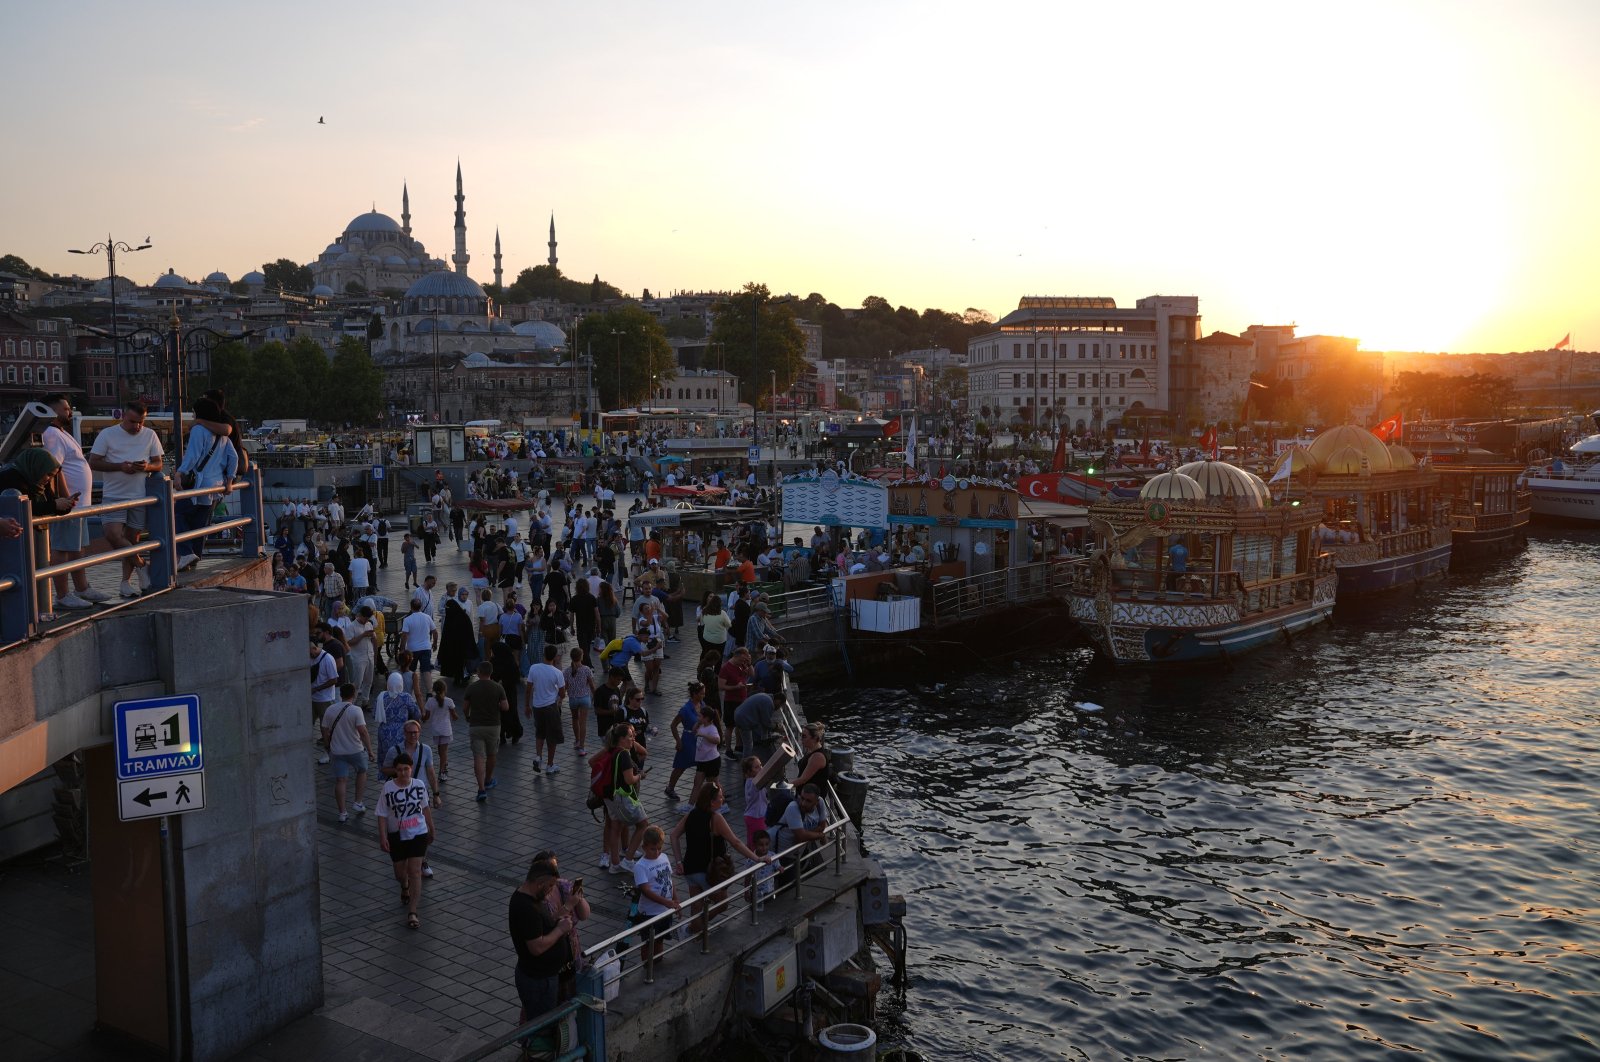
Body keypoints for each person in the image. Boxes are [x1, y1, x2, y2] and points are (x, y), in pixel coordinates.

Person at [669, 780, 770, 934]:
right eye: (720, 798)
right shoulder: (715, 818)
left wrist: (678, 861)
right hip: (708, 872)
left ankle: (693, 934)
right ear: (711, 802)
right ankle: (693, 930)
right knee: (722, 903)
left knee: (696, 906)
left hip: (690, 869)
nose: (722, 800)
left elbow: (674, 835)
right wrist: (757, 858)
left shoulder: (691, 814)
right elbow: (735, 842)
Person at [39, 394, 109, 610]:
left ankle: (82, 588)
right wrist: (64, 498)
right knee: (62, 548)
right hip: (69, 504)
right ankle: (62, 595)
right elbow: (53, 469)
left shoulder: (62, 433)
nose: (69, 412)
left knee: (78, 548)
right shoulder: (51, 434)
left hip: (79, 504)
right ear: (52, 411)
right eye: (65, 409)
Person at [87, 402, 163, 599]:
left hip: (139, 495)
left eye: (141, 422)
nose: (137, 426)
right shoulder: (107, 434)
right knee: (112, 534)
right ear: (123, 417)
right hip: (114, 494)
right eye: (132, 422)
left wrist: (145, 467)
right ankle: (141, 565)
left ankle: (125, 583)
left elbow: (158, 463)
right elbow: (93, 462)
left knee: (132, 539)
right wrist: (121, 466)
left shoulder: (150, 435)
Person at [378, 751, 434, 930]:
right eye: (400, 770)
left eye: (406, 769)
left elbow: (425, 808)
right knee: (400, 874)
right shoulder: (388, 788)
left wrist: (431, 828)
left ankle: (413, 911)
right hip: (397, 835)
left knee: (415, 871)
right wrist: (383, 836)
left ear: (411, 770)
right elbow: (381, 814)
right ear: (395, 771)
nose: (403, 773)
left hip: (418, 832)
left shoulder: (419, 785)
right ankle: (404, 886)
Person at [323, 682, 372, 824]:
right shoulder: (356, 710)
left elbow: (325, 730)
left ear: (340, 694)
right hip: (355, 750)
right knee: (362, 771)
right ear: (354, 694)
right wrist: (370, 750)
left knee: (341, 780)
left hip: (337, 751)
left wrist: (327, 745)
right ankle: (358, 802)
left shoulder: (330, 710)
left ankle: (342, 813)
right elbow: (363, 732)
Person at [631, 826, 679, 963]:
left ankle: (657, 964)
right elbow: (646, 891)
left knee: (660, 939)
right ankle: (648, 967)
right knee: (648, 943)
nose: (657, 852)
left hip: (665, 910)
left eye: (659, 848)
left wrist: (675, 899)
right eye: (653, 849)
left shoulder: (663, 857)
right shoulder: (641, 866)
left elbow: (670, 881)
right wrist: (667, 902)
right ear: (644, 847)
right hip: (650, 913)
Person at [463, 660, 508, 802]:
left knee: (478, 756)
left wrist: (468, 716)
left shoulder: (472, 688)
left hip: (476, 726)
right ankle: (488, 779)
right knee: (491, 754)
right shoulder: (498, 687)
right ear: (491, 672)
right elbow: (505, 707)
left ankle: (481, 789)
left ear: (478, 672)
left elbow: (465, 707)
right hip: (493, 726)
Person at [773, 782, 829, 887]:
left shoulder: (820, 802)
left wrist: (805, 835)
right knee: (787, 887)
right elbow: (801, 836)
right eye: (802, 798)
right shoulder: (793, 808)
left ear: (816, 802)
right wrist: (820, 835)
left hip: (800, 850)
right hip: (785, 853)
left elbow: (822, 825)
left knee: (797, 881)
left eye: (808, 801)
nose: (803, 803)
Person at [523, 644, 567, 774]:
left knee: (540, 733)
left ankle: (538, 757)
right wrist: (558, 697)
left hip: (537, 706)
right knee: (552, 736)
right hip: (550, 707)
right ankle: (550, 765)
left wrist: (527, 705)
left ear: (544, 654)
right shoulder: (557, 673)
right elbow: (563, 693)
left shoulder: (534, 668)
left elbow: (528, 689)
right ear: (555, 657)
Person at [665, 680, 706, 806]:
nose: (703, 696)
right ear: (694, 694)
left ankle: (708, 789)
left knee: (704, 765)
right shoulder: (685, 709)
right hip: (688, 740)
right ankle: (670, 788)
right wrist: (678, 741)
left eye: (704, 694)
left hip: (701, 739)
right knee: (681, 766)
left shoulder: (703, 704)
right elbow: (673, 725)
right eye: (701, 694)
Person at [373, 670, 421, 763]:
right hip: (401, 732)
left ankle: (385, 776)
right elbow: (416, 713)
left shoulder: (381, 696)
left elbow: (374, 714)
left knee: (385, 757)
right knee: (400, 758)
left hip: (384, 732)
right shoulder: (406, 697)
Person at [309, 637, 342, 765]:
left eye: (309, 652)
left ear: (314, 647)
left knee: (325, 729)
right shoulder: (310, 658)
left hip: (325, 699)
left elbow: (334, 679)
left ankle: (327, 753)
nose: (309, 655)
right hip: (312, 699)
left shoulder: (328, 659)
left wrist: (317, 688)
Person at [686, 702, 723, 809]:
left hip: (712, 760)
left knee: (714, 785)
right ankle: (690, 806)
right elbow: (693, 731)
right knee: (697, 783)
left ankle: (721, 804)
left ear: (706, 718)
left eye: (700, 716)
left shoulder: (712, 729)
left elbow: (717, 740)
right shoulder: (701, 725)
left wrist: (703, 735)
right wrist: (698, 723)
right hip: (702, 760)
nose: (698, 717)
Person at [491, 637, 525, 746]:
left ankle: (507, 734)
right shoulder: (509, 662)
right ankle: (508, 734)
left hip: (503, 693)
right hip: (505, 693)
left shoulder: (497, 662)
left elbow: (492, 676)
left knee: (504, 713)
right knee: (507, 713)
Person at [421, 678, 457, 782]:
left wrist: (422, 718)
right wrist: (455, 716)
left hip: (436, 730)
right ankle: (442, 771)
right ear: (445, 690)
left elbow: (426, 716)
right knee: (444, 751)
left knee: (441, 751)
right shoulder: (449, 701)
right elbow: (454, 716)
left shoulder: (430, 701)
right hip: (446, 730)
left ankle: (443, 765)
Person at [439, 586, 477, 684]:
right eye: (463, 594)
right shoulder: (455, 615)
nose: (464, 596)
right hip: (458, 646)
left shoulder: (461, 617)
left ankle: (460, 677)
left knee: (460, 662)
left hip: (460, 646)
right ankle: (458, 678)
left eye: (466, 594)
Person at [565, 646, 595, 757]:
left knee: (574, 719)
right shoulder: (587, 669)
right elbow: (592, 686)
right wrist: (595, 696)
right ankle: (582, 747)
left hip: (573, 699)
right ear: (581, 657)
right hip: (584, 699)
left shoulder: (567, 671)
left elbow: (565, 687)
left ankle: (577, 740)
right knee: (583, 723)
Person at [793, 722, 831, 796]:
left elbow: (803, 779)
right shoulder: (811, 750)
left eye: (804, 736)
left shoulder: (818, 756)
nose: (801, 739)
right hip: (804, 795)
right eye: (801, 735)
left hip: (810, 802)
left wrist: (786, 786)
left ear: (814, 738)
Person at [742, 758, 770, 846]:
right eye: (756, 767)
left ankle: (750, 858)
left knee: (752, 841)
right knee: (758, 844)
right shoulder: (755, 783)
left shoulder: (751, 781)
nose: (761, 768)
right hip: (756, 818)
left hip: (753, 816)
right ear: (749, 772)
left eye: (761, 765)